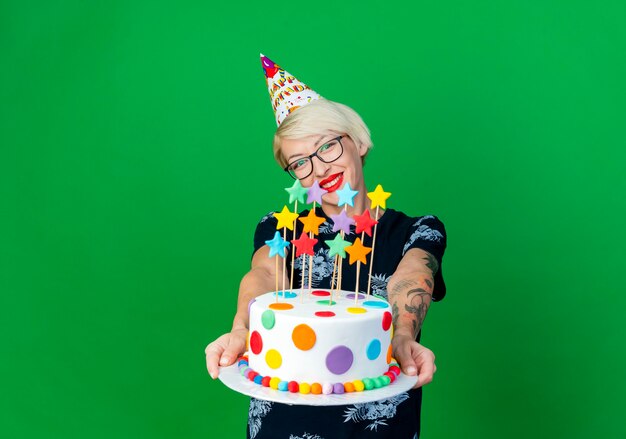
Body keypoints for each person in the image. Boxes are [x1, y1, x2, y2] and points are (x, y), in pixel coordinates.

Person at [205, 55, 447, 439]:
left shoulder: (417, 231)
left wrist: (402, 336)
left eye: (327, 147)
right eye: (300, 162)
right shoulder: (280, 227)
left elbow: (413, 276)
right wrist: (240, 328)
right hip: (282, 424)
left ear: (359, 141)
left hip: (377, 427)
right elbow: (265, 273)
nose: (319, 168)